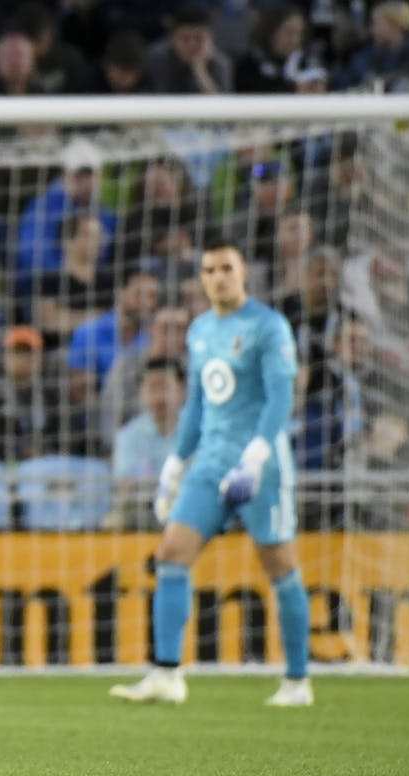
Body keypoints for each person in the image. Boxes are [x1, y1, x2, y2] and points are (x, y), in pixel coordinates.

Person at [110, 240, 310, 708]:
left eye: (226, 268)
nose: (217, 277)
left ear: (243, 273)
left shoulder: (268, 326)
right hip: (212, 459)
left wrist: (257, 457)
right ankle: (166, 674)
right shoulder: (200, 331)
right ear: (201, 278)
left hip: (261, 463)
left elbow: (280, 398)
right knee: (171, 553)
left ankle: (298, 682)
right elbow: (198, 405)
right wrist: (176, 465)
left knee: (279, 564)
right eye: (208, 270)